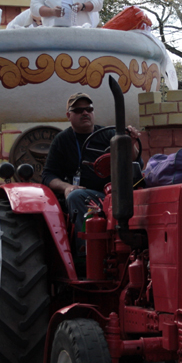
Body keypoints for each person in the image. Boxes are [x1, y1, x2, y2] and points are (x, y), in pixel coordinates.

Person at [41, 93, 141, 274]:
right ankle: (86, 258)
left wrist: (131, 142)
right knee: (76, 196)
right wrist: (66, 187)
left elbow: (135, 163)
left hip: (118, 194)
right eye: (78, 110)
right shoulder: (62, 140)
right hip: (89, 196)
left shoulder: (110, 135)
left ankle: (140, 252)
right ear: (69, 115)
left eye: (89, 109)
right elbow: (48, 175)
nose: (85, 113)